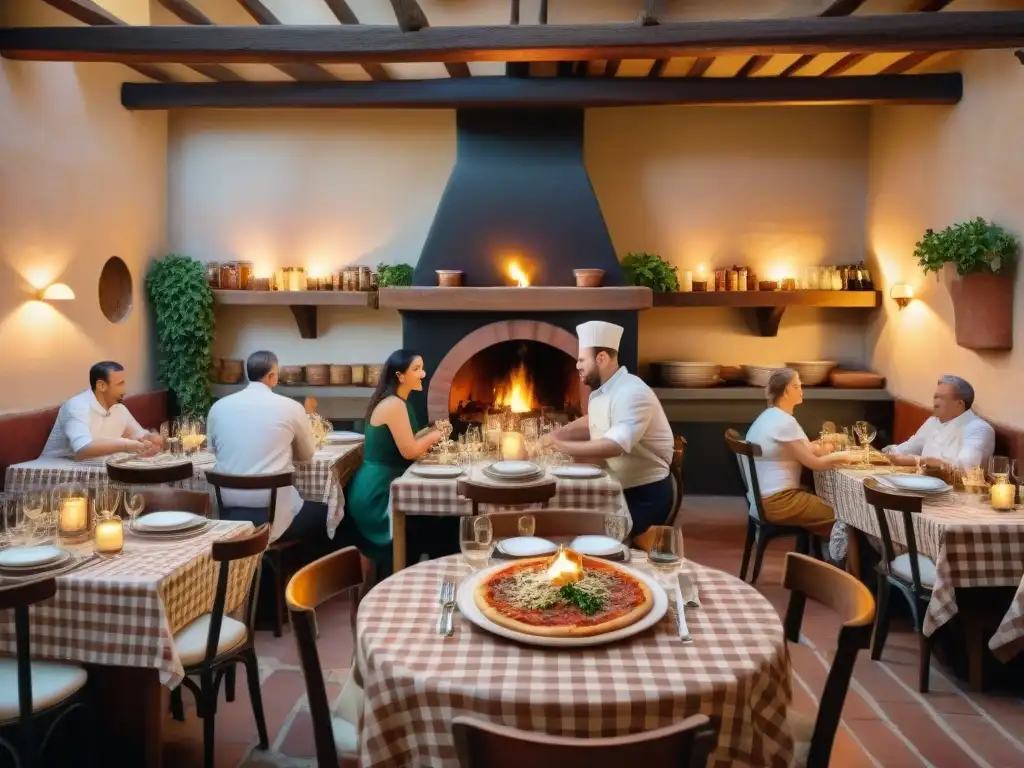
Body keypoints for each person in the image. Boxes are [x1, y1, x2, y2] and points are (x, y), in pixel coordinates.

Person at [543, 321, 675, 539]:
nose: (577, 366)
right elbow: (593, 420)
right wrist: (556, 434)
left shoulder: (633, 392)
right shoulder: (608, 389)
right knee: (561, 524)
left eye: (582, 360)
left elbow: (615, 446)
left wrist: (561, 446)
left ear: (601, 358)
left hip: (644, 497)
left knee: (577, 536)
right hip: (615, 490)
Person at [208, 350, 338, 559]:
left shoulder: (218, 407)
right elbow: (306, 456)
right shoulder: (291, 407)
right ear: (271, 376)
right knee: (328, 514)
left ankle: (262, 573)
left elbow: (213, 451)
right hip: (276, 514)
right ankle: (301, 580)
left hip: (228, 513)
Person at [343, 349, 441, 576]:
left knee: (437, 522)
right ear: (400, 376)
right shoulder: (394, 405)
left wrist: (430, 431)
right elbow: (410, 451)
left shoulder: (398, 402)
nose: (423, 374)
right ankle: (416, 580)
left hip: (385, 484)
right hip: (378, 495)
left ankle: (421, 579)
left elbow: (408, 439)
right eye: (416, 369)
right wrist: (436, 435)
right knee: (438, 527)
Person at [743, 368, 850, 533]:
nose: (801, 391)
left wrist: (826, 447)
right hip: (780, 502)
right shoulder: (784, 422)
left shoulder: (770, 416)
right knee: (849, 514)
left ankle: (829, 552)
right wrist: (847, 456)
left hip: (764, 500)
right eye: (797, 387)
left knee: (827, 501)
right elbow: (816, 464)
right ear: (786, 392)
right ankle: (844, 555)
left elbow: (802, 449)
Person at [41, 361, 163, 460]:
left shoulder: (118, 408)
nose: (125, 390)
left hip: (93, 471)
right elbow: (83, 449)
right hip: (55, 474)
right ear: (101, 386)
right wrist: (125, 445)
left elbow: (136, 435)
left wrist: (150, 439)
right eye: (120, 384)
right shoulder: (76, 407)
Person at [883, 375, 995, 473]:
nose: (935, 402)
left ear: (959, 404)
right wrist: (882, 454)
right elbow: (906, 449)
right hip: (922, 484)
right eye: (935, 397)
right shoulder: (933, 422)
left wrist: (918, 461)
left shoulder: (979, 429)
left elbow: (967, 469)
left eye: (941, 398)